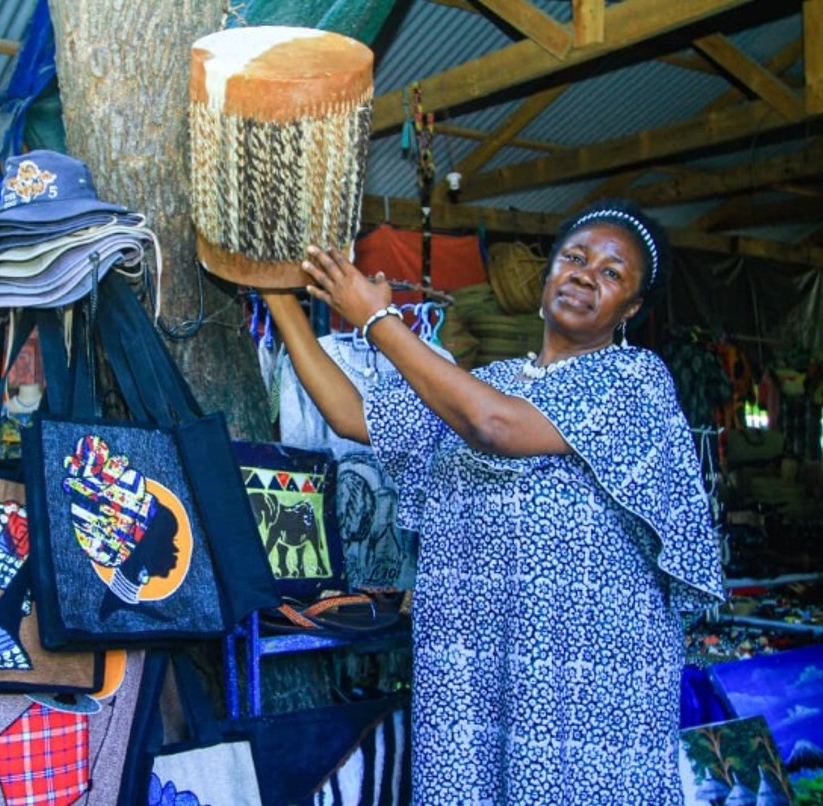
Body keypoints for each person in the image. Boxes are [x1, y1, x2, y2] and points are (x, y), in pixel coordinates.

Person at [263, 199, 725, 804]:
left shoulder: (633, 381)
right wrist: (277, 297)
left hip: (580, 683)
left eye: (612, 273)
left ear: (631, 309)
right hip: (476, 668)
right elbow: (353, 415)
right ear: (548, 276)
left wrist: (380, 322)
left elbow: (496, 429)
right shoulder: (493, 380)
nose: (586, 275)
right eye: (576, 258)